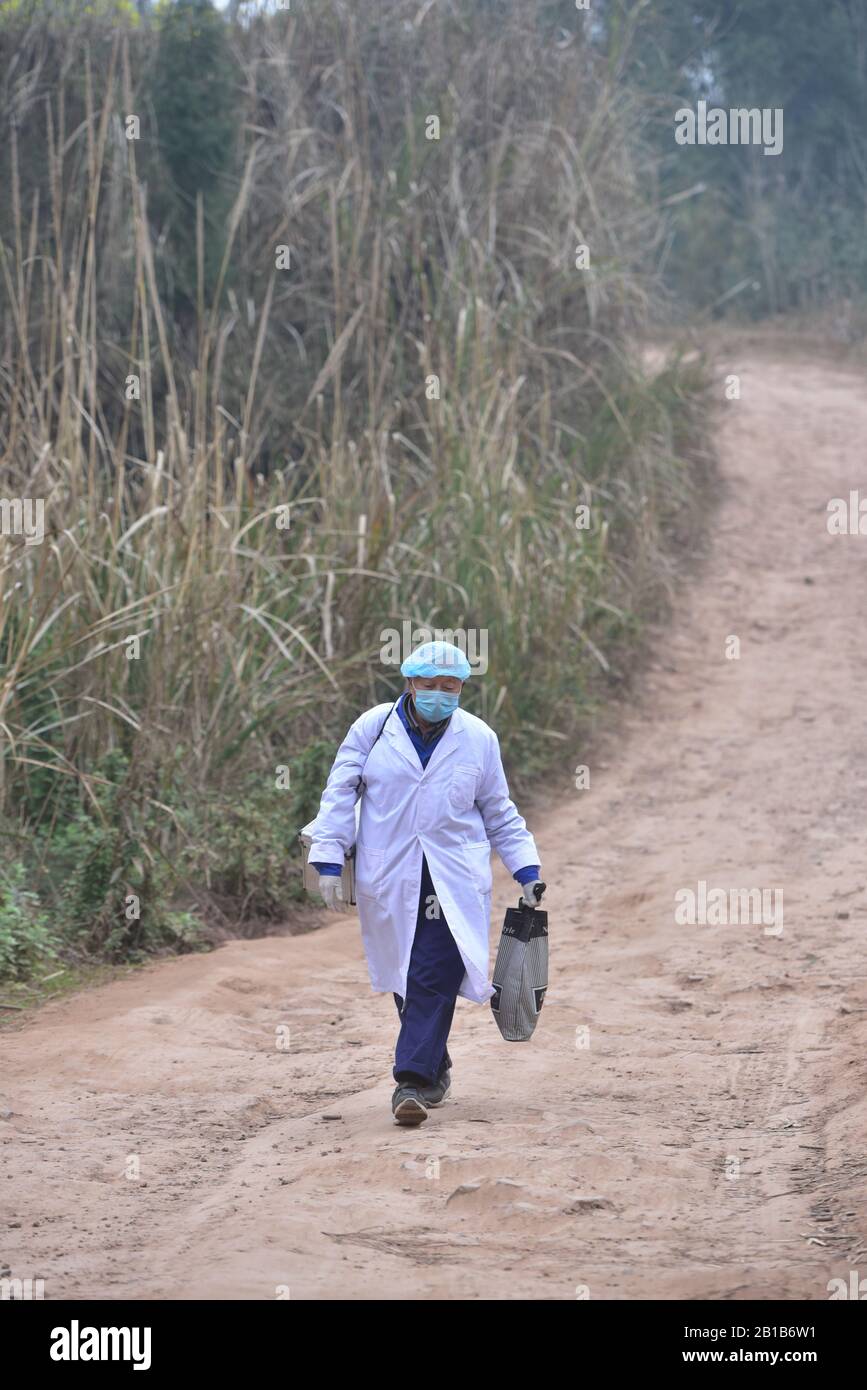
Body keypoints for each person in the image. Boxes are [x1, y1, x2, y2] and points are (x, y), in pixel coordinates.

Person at [307, 640, 544, 1126]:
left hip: (451, 877)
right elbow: (339, 794)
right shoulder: (372, 729)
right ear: (410, 684)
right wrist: (327, 859)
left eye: (450, 686)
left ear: (462, 687)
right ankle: (435, 1066)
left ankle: (411, 1080)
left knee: (431, 970)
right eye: (430, 686)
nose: (440, 694)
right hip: (390, 873)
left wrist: (527, 870)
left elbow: (499, 811)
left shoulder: (477, 737)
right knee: (404, 971)